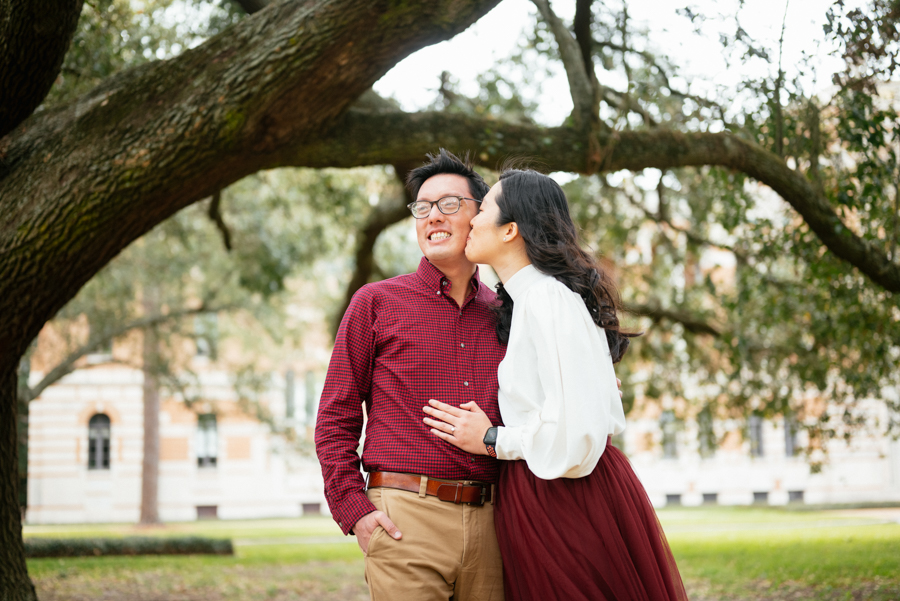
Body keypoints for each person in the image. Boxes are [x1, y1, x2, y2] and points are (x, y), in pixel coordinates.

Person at [422, 168, 689, 601]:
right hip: (539, 491)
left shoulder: (548, 298)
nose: (469, 220)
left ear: (510, 229)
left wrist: (491, 439)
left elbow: (573, 432)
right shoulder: (529, 301)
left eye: (482, 209)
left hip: (565, 493)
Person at [314, 149, 506, 600]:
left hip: (497, 524)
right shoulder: (375, 303)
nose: (432, 217)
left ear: (480, 217)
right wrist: (355, 510)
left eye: (448, 205)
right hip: (404, 519)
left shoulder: (506, 313)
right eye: (422, 207)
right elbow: (335, 418)